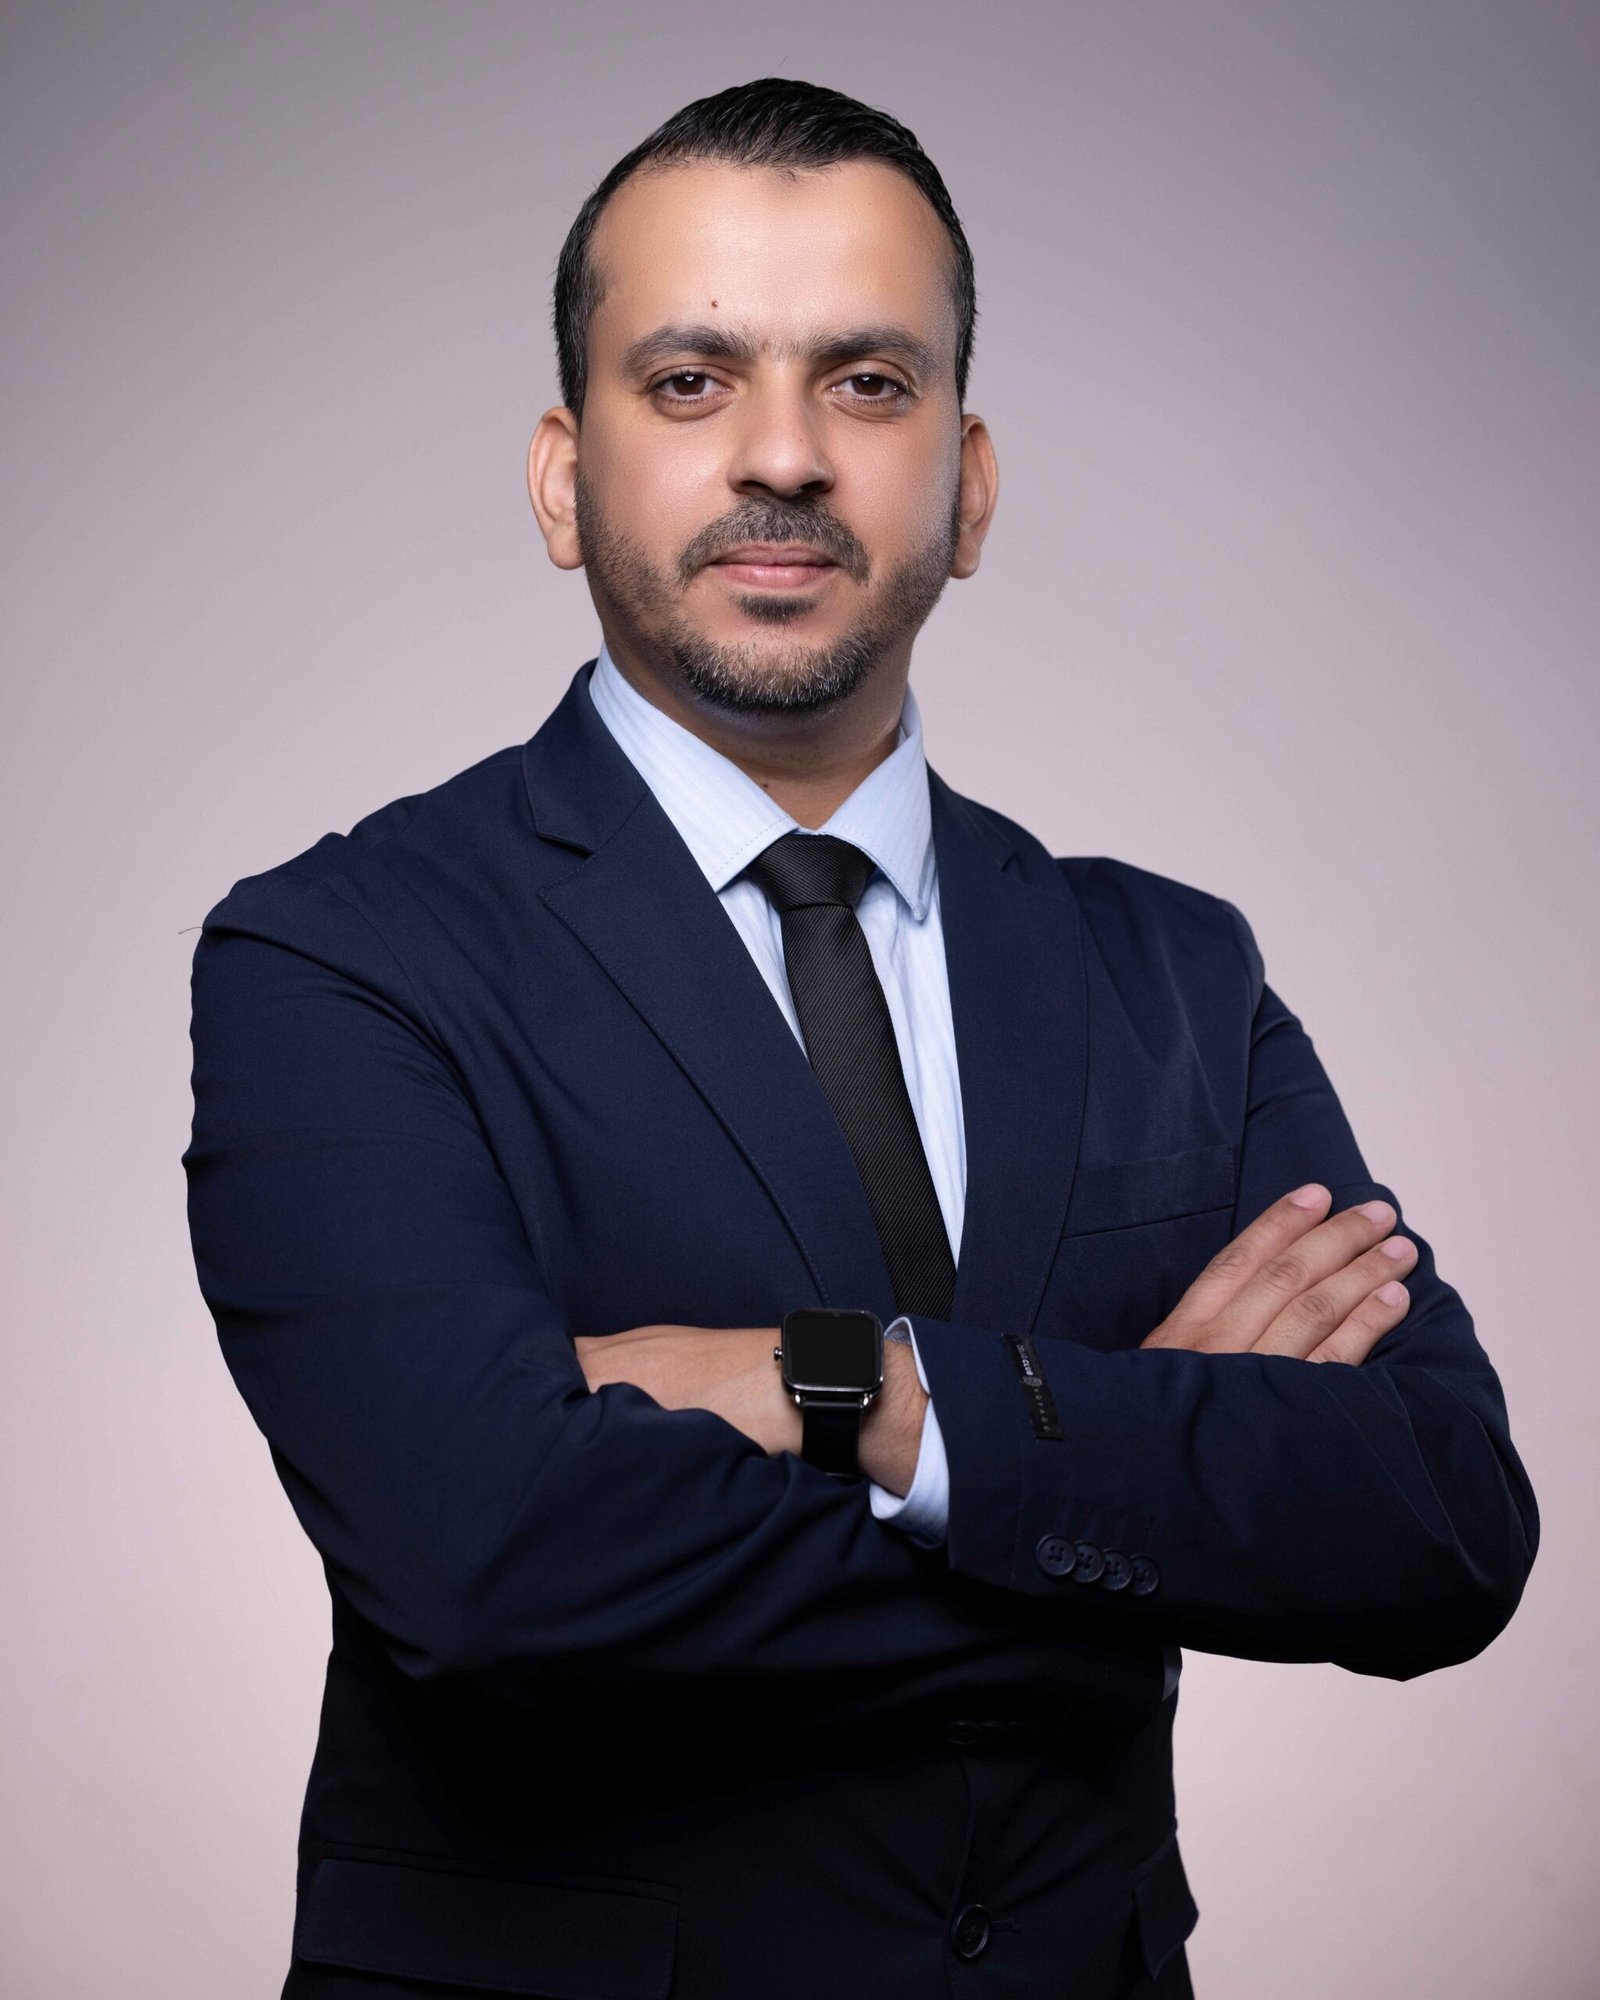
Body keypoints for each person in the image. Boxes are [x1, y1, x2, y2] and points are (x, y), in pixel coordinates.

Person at [182, 76, 1539, 2000]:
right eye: (690, 381)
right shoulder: (343, 954)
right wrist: (1120, 1458)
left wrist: (859, 1392)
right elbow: (493, 1574)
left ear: (969, 487)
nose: (786, 455)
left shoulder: (1172, 970)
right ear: (563, 479)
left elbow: (1443, 1521)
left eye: (869, 382)